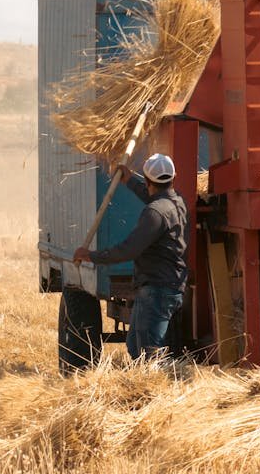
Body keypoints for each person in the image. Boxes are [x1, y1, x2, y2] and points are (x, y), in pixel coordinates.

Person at [74, 153, 188, 360]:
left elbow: (129, 250)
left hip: (157, 288)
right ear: (174, 176)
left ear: (147, 180)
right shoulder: (176, 202)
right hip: (165, 285)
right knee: (136, 346)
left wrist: (92, 256)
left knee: (149, 352)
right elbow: (154, 197)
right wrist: (129, 180)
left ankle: (162, 388)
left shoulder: (154, 213)